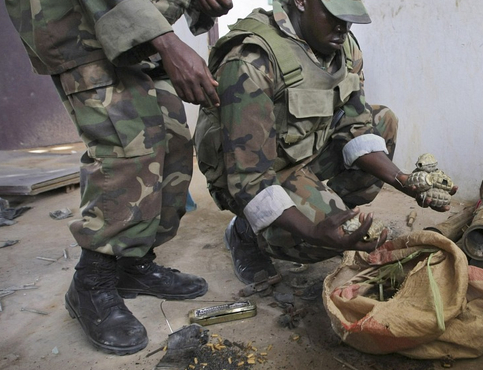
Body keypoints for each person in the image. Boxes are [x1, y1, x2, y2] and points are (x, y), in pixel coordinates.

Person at [5, 0, 234, 355]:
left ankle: (133, 263)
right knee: (128, 151)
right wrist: (167, 40)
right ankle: (91, 282)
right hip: (84, 28)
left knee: (172, 144)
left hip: (139, 32)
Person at [195, 0, 456, 287]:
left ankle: (326, 213)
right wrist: (312, 230)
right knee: (324, 239)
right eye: (334, 16)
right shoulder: (251, 61)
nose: (343, 28)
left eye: (348, 19)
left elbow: (356, 128)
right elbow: (249, 179)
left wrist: (404, 181)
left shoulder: (343, 47)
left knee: (384, 121)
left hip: (301, 151)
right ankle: (247, 232)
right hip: (254, 174)